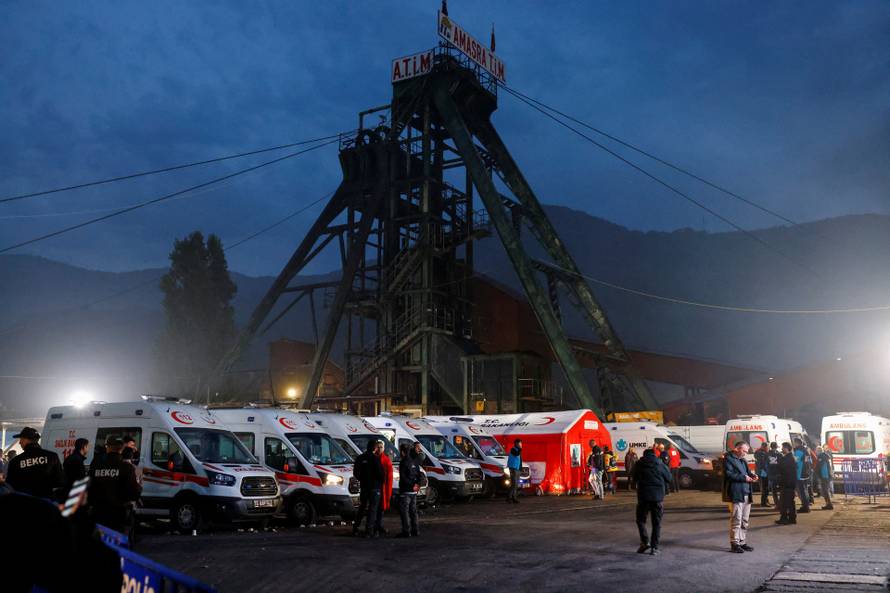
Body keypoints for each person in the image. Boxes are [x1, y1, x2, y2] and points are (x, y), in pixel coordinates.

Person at [88, 436, 141, 539]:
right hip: (119, 515)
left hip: (100, 514)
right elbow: (133, 493)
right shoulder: (127, 468)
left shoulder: (97, 466)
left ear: (107, 447)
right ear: (121, 449)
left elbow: (89, 489)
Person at [5, 427, 65, 501]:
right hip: (47, 502)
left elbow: (9, 485)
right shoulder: (52, 456)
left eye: (21, 439)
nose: (20, 442)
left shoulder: (16, 461)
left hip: (25, 503)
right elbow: (60, 481)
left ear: (26, 440)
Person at [631, 447, 672, 555]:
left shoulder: (639, 464)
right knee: (656, 523)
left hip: (643, 497)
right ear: (654, 455)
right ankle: (654, 548)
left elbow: (633, 478)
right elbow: (669, 478)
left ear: (644, 455)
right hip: (657, 498)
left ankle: (645, 542)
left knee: (640, 520)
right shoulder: (660, 464)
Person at [723, 441, 757, 553]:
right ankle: (734, 543)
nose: (745, 454)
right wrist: (744, 478)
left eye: (747, 452)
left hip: (747, 492)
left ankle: (742, 542)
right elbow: (729, 474)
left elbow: (748, 472)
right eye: (744, 451)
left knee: (744, 520)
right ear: (737, 448)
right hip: (737, 493)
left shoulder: (743, 460)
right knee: (736, 519)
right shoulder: (728, 459)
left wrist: (753, 476)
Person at [352, 439, 384, 537]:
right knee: (372, 509)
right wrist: (380, 481)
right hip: (374, 488)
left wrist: (362, 479)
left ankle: (356, 527)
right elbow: (381, 474)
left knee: (362, 507)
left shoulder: (360, 458)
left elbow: (356, 473)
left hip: (364, 487)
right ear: (375, 448)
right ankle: (369, 531)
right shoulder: (375, 459)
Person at [397, 442, 421, 537]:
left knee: (405, 512)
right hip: (413, 491)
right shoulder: (414, 461)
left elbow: (403, 477)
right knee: (413, 511)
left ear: (402, 452)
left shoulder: (403, 462)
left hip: (406, 490)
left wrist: (411, 485)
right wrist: (417, 485)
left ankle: (406, 531)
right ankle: (415, 530)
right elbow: (419, 475)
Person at [775, 442, 798, 525]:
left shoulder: (789, 458)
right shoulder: (789, 457)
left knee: (786, 502)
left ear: (787, 448)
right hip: (788, 483)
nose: (781, 449)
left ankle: (787, 518)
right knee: (788, 502)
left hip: (787, 483)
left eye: (783, 447)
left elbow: (783, 469)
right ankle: (789, 518)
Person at [376, 441, 393, 535]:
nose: (379, 449)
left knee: (380, 509)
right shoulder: (379, 459)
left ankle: (378, 525)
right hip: (377, 488)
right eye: (378, 447)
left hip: (383, 489)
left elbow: (389, 479)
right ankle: (377, 526)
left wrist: (388, 492)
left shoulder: (386, 460)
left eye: (381, 447)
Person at [792, 438, 811, 513]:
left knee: (802, 491)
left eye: (794, 443)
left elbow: (795, 462)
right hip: (806, 473)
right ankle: (806, 506)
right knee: (805, 490)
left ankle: (805, 507)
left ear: (797, 443)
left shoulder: (798, 451)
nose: (794, 444)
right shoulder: (805, 450)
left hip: (800, 473)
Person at [815, 445, 834, 510]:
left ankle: (829, 504)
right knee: (825, 491)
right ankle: (828, 504)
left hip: (824, 476)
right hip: (827, 475)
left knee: (825, 491)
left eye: (816, 450)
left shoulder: (821, 457)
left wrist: (815, 471)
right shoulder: (825, 456)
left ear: (819, 451)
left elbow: (818, 466)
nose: (815, 452)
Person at [754, 442, 770, 507]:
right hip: (763, 473)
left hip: (760, 472)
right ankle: (764, 502)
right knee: (765, 488)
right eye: (768, 447)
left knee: (763, 487)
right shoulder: (762, 453)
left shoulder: (758, 452)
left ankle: (765, 501)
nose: (768, 448)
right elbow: (763, 464)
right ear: (764, 447)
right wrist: (767, 470)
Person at [766, 442, 782, 508]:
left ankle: (777, 504)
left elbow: (766, 464)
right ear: (776, 447)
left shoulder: (767, 454)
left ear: (771, 447)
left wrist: (768, 472)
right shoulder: (779, 454)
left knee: (774, 490)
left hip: (771, 474)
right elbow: (782, 464)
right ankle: (781, 503)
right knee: (781, 490)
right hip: (778, 474)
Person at [506, 439, 522, 503]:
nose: (521, 444)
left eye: (521, 443)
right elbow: (516, 454)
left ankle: (514, 498)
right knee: (514, 484)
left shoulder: (517, 450)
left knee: (515, 485)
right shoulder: (513, 449)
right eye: (520, 443)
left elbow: (519, 461)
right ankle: (509, 498)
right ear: (516, 444)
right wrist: (520, 448)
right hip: (513, 469)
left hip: (517, 469)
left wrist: (520, 469)